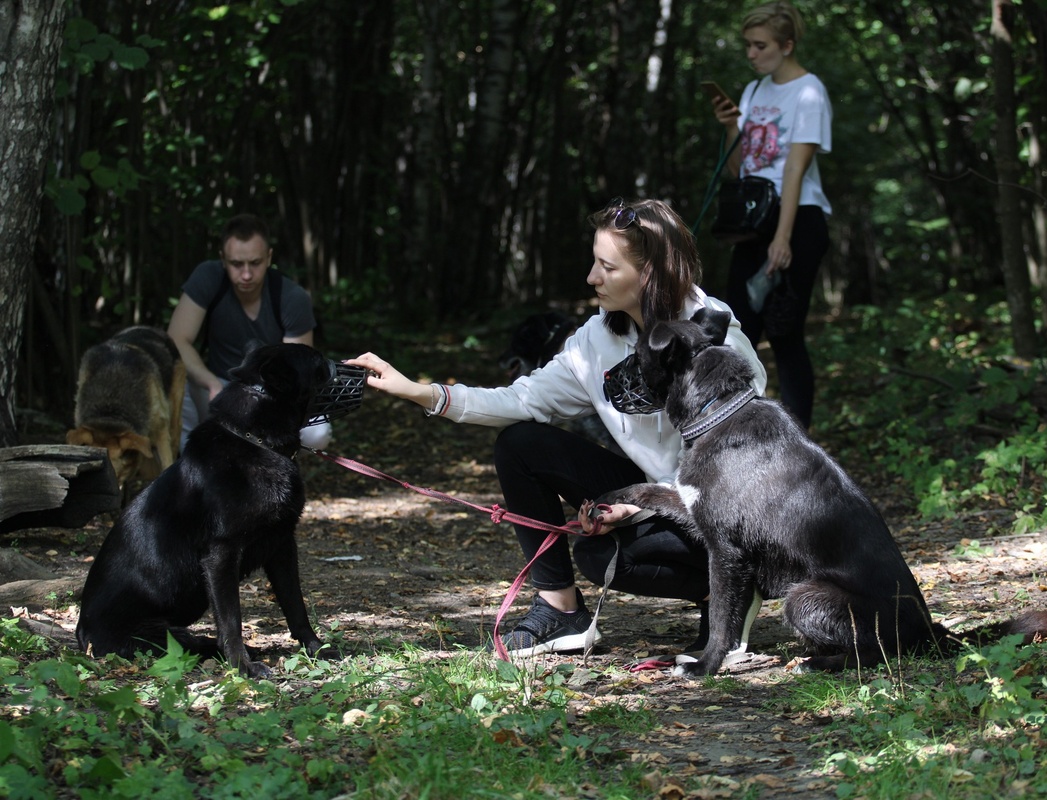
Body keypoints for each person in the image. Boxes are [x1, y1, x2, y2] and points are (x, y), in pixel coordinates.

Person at [349, 198, 768, 657]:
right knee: (522, 444)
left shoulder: (716, 334)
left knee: (602, 557)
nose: (591, 278)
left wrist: (638, 507)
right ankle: (560, 612)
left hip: (724, 511)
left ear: (648, 273)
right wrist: (418, 391)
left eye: (606, 267)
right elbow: (521, 400)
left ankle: (730, 590)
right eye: (594, 262)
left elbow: (741, 468)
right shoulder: (597, 339)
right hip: (655, 493)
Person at [710, 1, 832, 428]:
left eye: (760, 46)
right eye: (748, 45)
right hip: (753, 222)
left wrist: (783, 239)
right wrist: (730, 127)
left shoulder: (809, 91)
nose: (751, 54)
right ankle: (729, 437)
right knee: (736, 332)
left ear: (787, 45)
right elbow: (740, 169)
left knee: (785, 333)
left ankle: (799, 444)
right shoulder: (753, 91)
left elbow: (795, 170)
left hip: (797, 221)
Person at [167, 213, 332, 451]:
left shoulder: (291, 297)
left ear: (269, 258)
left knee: (318, 433)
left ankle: (275, 472)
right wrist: (212, 383)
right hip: (217, 385)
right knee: (177, 382)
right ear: (223, 259)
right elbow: (177, 340)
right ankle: (189, 470)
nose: (246, 274)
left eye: (255, 263)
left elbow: (299, 374)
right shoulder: (208, 278)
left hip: (271, 395)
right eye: (236, 264)